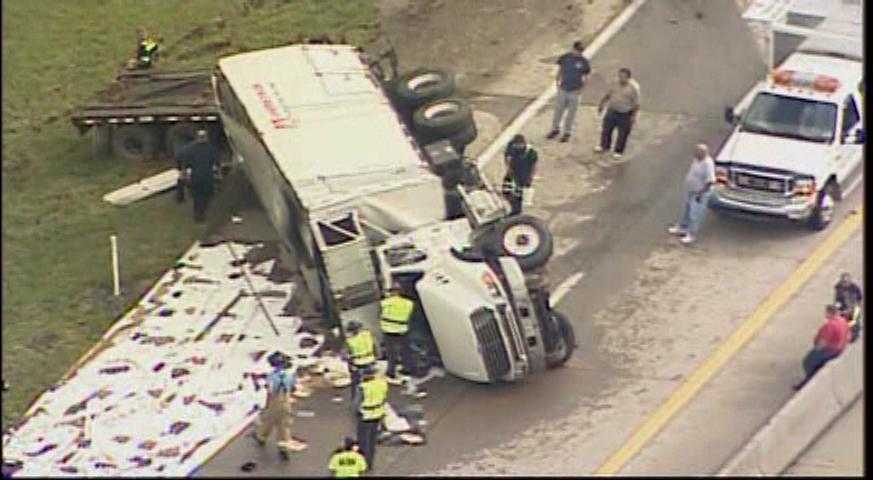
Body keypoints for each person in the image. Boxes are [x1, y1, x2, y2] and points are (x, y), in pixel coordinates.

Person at [252, 352, 298, 459]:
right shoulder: (289, 375)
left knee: (268, 420)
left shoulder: (271, 376)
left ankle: (261, 437)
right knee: (284, 426)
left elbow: (270, 389)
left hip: (274, 401)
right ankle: (283, 448)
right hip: (286, 402)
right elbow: (293, 387)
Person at [668, 144, 716, 245]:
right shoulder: (696, 160)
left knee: (694, 214)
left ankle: (691, 235)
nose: (695, 154)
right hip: (690, 189)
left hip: (699, 193)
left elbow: (710, 181)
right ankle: (682, 228)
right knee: (685, 209)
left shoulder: (708, 164)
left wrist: (700, 194)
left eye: (698, 152)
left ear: (703, 153)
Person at [794, 305, 850, 390]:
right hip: (839, 348)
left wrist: (816, 350)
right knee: (815, 363)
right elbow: (848, 335)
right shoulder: (843, 321)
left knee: (808, 362)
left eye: (826, 313)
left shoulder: (830, 325)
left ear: (830, 313)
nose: (825, 314)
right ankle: (808, 379)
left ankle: (809, 380)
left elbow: (823, 342)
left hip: (829, 350)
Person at [547, 41, 591, 143]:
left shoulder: (584, 62)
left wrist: (582, 89)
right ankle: (555, 129)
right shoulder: (565, 57)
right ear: (573, 49)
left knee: (571, 113)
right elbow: (560, 68)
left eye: (581, 51)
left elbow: (587, 76)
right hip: (563, 89)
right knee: (558, 111)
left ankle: (567, 132)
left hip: (575, 91)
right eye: (578, 50)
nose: (579, 52)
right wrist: (557, 80)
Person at [595, 68, 641, 161]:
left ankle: (618, 151)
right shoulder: (614, 83)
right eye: (619, 76)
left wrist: (633, 116)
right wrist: (602, 104)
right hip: (612, 110)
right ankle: (604, 146)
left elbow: (636, 104)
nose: (621, 79)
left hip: (625, 113)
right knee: (606, 129)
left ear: (628, 78)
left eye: (623, 77)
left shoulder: (634, 88)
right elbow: (608, 94)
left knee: (623, 134)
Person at [176, 129, 218, 223]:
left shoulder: (189, 149)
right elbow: (216, 163)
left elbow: (182, 160)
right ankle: (201, 214)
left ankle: (198, 215)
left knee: (198, 197)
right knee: (205, 197)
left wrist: (183, 172)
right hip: (207, 177)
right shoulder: (211, 149)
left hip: (197, 177)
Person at [380, 284, 416, 385]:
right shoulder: (409, 303)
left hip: (389, 331)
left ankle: (391, 372)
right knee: (405, 351)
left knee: (391, 353)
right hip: (402, 330)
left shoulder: (387, 302)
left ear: (393, 292)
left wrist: (384, 295)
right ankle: (407, 370)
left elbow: (381, 306)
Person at [356, 368, 388, 470]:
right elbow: (384, 398)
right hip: (378, 414)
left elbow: (356, 403)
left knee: (363, 441)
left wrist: (357, 412)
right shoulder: (382, 384)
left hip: (365, 415)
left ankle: (363, 463)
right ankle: (370, 463)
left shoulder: (363, 387)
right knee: (372, 440)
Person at [501, 134, 539, 215]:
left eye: (519, 145)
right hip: (512, 172)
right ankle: (511, 206)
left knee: (519, 194)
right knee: (506, 191)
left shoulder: (531, 152)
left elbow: (534, 166)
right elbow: (507, 157)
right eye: (516, 145)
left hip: (524, 175)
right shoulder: (511, 147)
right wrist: (508, 168)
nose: (517, 147)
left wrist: (530, 177)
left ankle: (516, 211)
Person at [345, 321, 377, 405]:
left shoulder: (350, 340)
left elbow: (348, 355)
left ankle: (355, 402)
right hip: (370, 361)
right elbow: (374, 347)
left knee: (355, 384)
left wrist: (350, 366)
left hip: (358, 363)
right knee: (370, 383)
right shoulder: (367, 334)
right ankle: (372, 400)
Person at [834, 273, 863, 341]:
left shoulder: (855, 288)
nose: (845, 283)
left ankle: (854, 334)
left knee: (853, 322)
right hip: (844, 309)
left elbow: (859, 298)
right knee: (844, 322)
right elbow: (837, 300)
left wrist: (858, 307)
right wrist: (837, 308)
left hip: (853, 308)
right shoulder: (839, 289)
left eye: (846, 282)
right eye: (843, 282)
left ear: (850, 281)